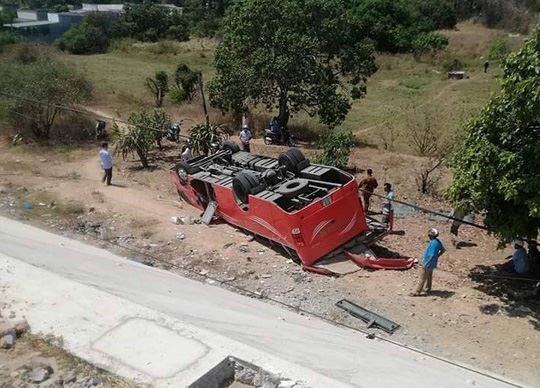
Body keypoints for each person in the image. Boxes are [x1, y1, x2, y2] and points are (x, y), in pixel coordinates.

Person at [411, 228, 445, 296]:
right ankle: (428, 288)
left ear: (431, 236)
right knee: (429, 276)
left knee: (422, 278)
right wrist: (437, 256)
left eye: (429, 235)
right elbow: (443, 250)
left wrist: (425, 263)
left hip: (428, 262)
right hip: (433, 262)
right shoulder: (438, 241)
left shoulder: (433, 243)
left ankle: (417, 292)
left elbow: (431, 255)